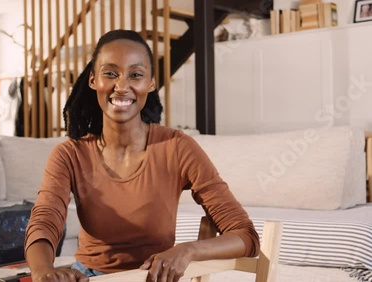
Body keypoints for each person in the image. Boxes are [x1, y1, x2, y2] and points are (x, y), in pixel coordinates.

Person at [25, 29, 260, 282]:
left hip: (152, 278)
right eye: (110, 73)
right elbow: (45, 220)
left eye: (135, 75)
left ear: (150, 83)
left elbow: (245, 236)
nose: (122, 86)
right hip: (90, 278)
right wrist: (42, 270)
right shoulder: (69, 154)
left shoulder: (177, 147)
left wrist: (188, 250)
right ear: (93, 80)